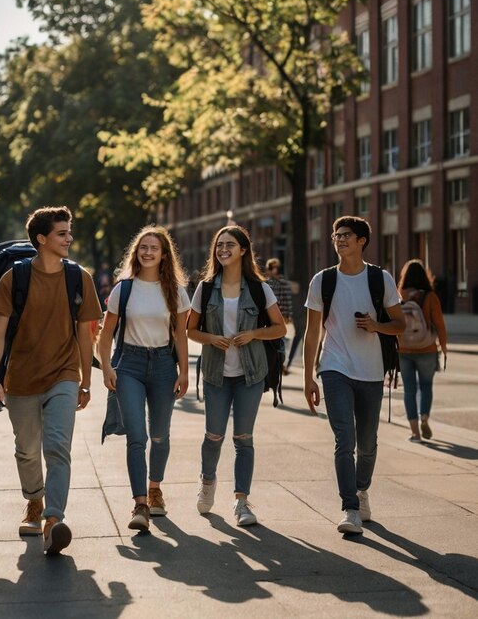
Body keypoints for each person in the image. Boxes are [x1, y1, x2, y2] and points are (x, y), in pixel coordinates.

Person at [0, 206, 102, 556]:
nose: (69, 238)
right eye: (62, 233)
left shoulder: (79, 277)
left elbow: (86, 334)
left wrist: (84, 380)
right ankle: (33, 501)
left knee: (57, 447)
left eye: (70, 232)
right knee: (26, 448)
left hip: (63, 375)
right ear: (41, 238)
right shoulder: (15, 278)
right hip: (20, 378)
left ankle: (53, 519)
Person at [303, 216, 405, 535]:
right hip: (334, 367)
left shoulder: (380, 279)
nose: (339, 239)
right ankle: (349, 508)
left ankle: (361, 491)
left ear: (362, 240)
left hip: (371, 370)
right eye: (336, 235)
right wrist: (309, 377)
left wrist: (376, 326)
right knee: (344, 439)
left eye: (346, 235)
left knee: (368, 443)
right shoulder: (322, 280)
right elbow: (311, 332)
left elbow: (400, 324)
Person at [187, 226, 286, 526]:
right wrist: (211, 339)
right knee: (213, 436)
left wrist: (255, 333)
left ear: (244, 250)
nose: (223, 249)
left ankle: (241, 502)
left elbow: (279, 328)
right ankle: (207, 483)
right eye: (219, 245)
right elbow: (190, 330)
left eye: (230, 244)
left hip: (250, 374)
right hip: (216, 374)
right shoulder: (205, 288)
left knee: (244, 439)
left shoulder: (259, 288)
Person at [97, 226, 190, 532]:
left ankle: (155, 488)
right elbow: (105, 333)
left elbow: (180, 335)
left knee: (160, 434)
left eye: (154, 248)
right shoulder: (123, 289)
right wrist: (108, 368)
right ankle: (140, 505)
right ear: (136, 253)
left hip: (164, 365)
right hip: (130, 367)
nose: (148, 252)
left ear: (164, 255)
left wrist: (184, 371)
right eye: (143, 248)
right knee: (138, 437)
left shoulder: (176, 291)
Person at [397, 259, 447, 442]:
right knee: (426, 386)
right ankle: (424, 417)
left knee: (409, 390)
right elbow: (439, 323)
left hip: (403, 349)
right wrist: (444, 346)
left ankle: (415, 433)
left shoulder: (400, 294)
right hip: (427, 348)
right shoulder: (430, 296)